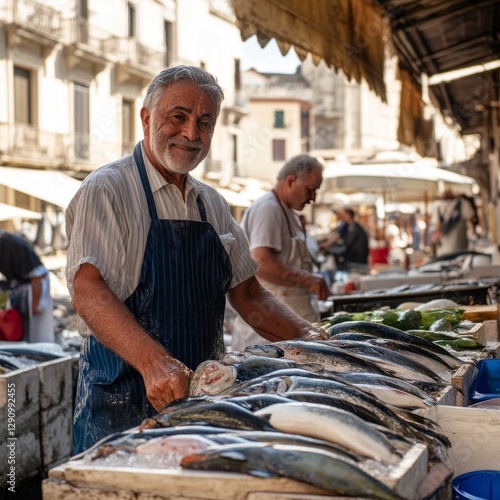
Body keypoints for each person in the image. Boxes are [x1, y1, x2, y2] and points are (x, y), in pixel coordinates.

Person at [65, 65, 327, 454]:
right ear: (147, 117)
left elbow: (250, 295)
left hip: (204, 404)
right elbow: (87, 291)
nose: (191, 133)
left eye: (205, 123)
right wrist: (154, 363)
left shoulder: (213, 205)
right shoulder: (108, 189)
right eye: (178, 117)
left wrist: (313, 341)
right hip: (121, 404)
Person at [230, 155, 330, 352]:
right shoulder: (269, 209)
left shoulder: (287, 211)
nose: (313, 198)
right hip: (269, 340)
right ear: (291, 181)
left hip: (290, 337)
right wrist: (307, 279)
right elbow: (261, 262)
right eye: (310, 190)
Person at [0, 229, 54, 342]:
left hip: (35, 290)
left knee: (36, 330)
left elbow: (38, 277)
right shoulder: (3, 245)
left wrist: (35, 305)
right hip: (21, 291)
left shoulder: (13, 244)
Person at [319, 207, 369, 273]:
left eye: (344, 215)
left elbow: (340, 239)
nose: (342, 216)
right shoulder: (346, 225)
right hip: (351, 258)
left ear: (349, 215)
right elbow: (337, 235)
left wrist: (326, 245)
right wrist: (326, 244)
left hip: (356, 260)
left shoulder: (355, 228)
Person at [431, 190, 477, 256]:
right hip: (460, 248)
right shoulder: (463, 203)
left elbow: (437, 231)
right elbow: (471, 223)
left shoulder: (438, 207)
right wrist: (474, 237)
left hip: (447, 250)